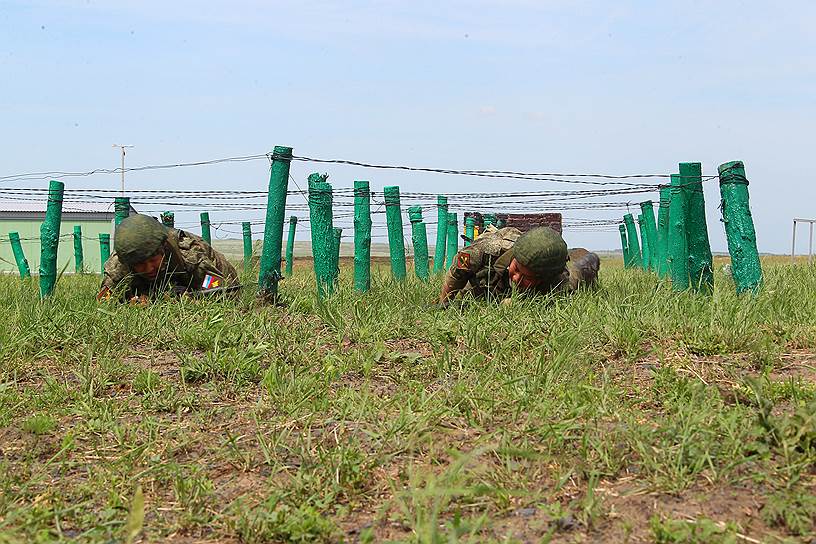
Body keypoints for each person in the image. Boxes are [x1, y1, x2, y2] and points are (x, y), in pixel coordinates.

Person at [438, 225, 600, 305]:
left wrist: (513, 304)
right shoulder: (484, 250)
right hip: (490, 269)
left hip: (558, 274)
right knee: (470, 296)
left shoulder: (558, 279)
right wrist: (444, 303)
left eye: (527, 277)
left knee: (581, 274)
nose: (516, 278)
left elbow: (548, 302)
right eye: (517, 269)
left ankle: (592, 259)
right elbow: (457, 273)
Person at [97, 214, 240, 302]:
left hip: (216, 277)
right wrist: (130, 302)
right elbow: (104, 300)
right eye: (140, 264)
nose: (148, 269)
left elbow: (221, 290)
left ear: (163, 248)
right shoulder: (120, 263)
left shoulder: (190, 255)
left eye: (153, 260)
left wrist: (189, 299)